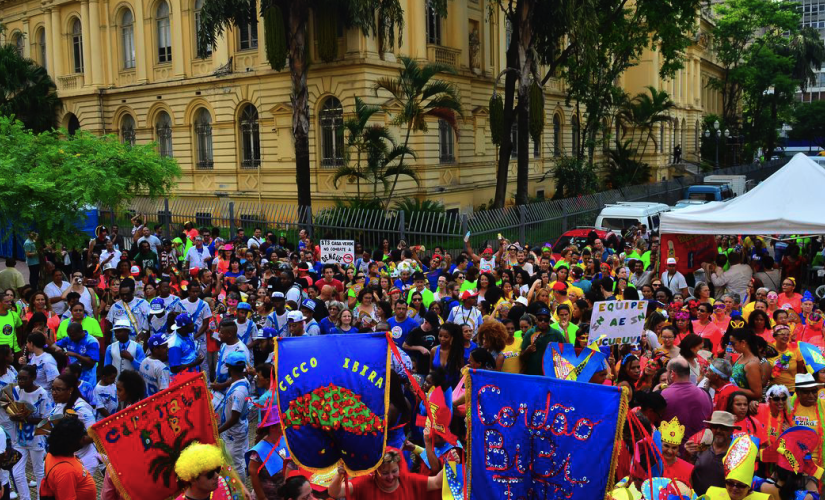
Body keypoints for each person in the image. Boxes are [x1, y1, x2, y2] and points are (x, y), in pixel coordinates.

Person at [328, 446, 444, 499]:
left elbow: (437, 483)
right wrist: (339, 475)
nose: (390, 477)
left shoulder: (408, 480)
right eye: (384, 473)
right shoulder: (364, 484)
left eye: (394, 471)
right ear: (375, 471)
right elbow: (334, 493)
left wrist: (452, 464)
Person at [10, 364, 51, 500]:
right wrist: (14, 416)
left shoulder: (41, 394)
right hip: (19, 439)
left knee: (39, 472)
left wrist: (27, 418)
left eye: (24, 379)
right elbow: (11, 412)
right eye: (19, 378)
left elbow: (46, 418)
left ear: (33, 378)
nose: (20, 381)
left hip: (36, 438)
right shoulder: (16, 391)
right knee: (16, 473)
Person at [47, 373, 100, 474]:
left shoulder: (81, 408)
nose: (54, 393)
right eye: (53, 389)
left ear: (70, 390)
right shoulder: (60, 403)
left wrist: (69, 441)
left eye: (58, 389)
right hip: (65, 459)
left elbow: (93, 434)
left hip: (83, 461)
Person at [39, 417, 97, 500]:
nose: (84, 438)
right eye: (81, 436)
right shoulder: (66, 471)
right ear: (71, 442)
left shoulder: (52, 454)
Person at [661, 357, 713, 449]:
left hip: (672, 453)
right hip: (699, 451)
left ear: (672, 374)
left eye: (667, 372)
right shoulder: (705, 394)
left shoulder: (664, 394)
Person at [215, 352, 250, 479]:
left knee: (236, 464)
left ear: (230, 368)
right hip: (235, 430)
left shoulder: (238, 391)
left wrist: (218, 430)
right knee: (237, 459)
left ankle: (241, 491)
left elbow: (234, 418)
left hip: (234, 433)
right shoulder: (242, 380)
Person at [703, 434, 769, 500]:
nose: (734, 488)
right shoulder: (712, 495)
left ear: (749, 486)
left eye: (740, 485)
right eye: (730, 483)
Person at [688, 411, 738, 496]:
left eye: (723, 427)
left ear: (731, 430)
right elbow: (689, 473)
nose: (718, 430)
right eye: (715, 427)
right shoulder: (700, 446)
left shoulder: (736, 453)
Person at [173, 443, 243, 500]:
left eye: (217, 470)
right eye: (210, 474)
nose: (217, 476)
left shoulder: (222, 485)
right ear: (193, 479)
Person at [789, 373, 825, 468]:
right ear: (797, 392)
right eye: (806, 392)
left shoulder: (823, 404)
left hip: (818, 463)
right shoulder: (788, 404)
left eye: (814, 391)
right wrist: (753, 403)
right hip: (793, 462)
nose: (811, 395)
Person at [519, 307, 565, 376]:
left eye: (545, 320)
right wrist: (528, 350)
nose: (543, 322)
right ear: (536, 320)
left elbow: (565, 352)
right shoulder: (530, 333)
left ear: (549, 321)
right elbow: (521, 357)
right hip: (533, 374)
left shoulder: (556, 334)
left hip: (551, 374)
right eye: (540, 319)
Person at [54, 323, 100, 388]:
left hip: (87, 380)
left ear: (81, 332)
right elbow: (54, 345)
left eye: (72, 336)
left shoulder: (91, 341)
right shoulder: (69, 338)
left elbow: (91, 362)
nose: (71, 338)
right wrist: (57, 348)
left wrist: (75, 355)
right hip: (72, 379)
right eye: (69, 336)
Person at [659, 417, 693, 487]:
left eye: (674, 447)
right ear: (660, 444)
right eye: (666, 446)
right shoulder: (651, 463)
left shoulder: (687, 469)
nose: (670, 451)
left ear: (678, 449)